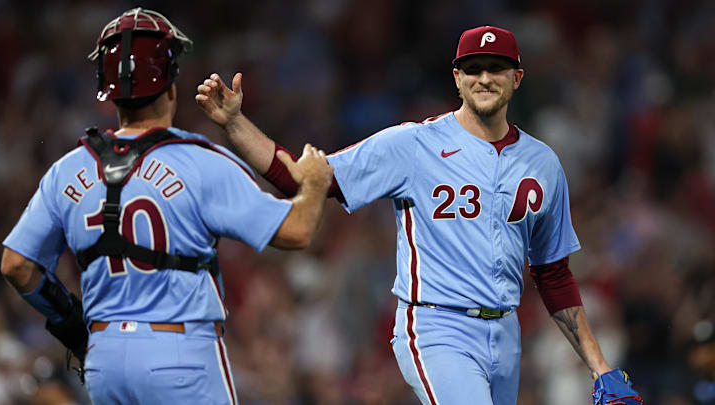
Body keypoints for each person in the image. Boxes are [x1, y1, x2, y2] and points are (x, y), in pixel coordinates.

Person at [196, 26, 645, 404]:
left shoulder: (543, 163)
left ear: (518, 77)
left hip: (506, 334)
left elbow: (553, 274)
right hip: (437, 325)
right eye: (473, 69)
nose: (484, 78)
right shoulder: (413, 145)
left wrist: (599, 366)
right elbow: (306, 179)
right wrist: (236, 124)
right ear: (457, 77)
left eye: (496, 68)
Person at [0, 8, 332, 405]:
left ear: (107, 89)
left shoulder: (66, 170)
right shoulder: (201, 161)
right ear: (171, 84)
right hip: (180, 354)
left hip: (104, 359)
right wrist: (313, 185)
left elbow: (16, 265)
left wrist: (70, 321)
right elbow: (296, 232)